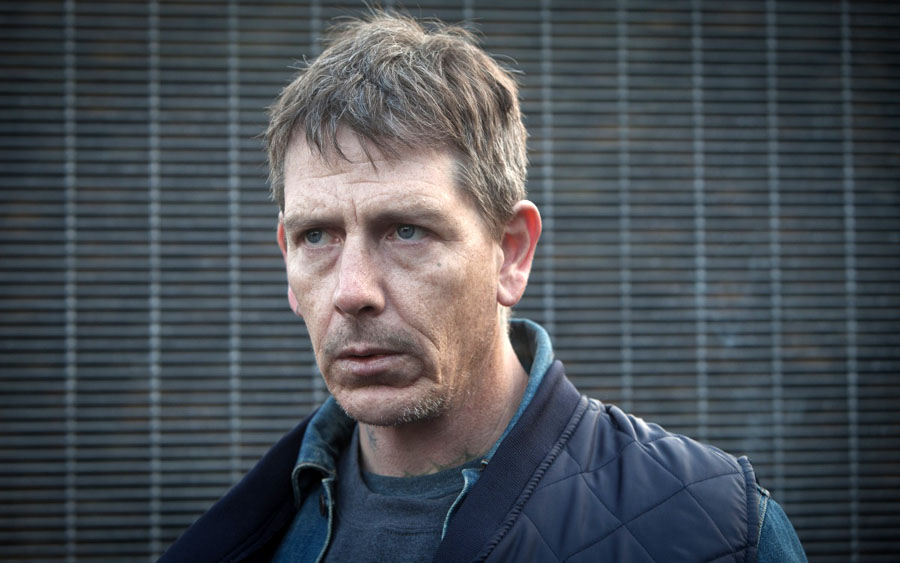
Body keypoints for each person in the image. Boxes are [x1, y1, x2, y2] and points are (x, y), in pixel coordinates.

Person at [160, 12, 807, 563]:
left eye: (407, 230)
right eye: (316, 237)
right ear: (286, 260)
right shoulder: (244, 534)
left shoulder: (721, 531)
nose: (351, 291)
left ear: (511, 253)